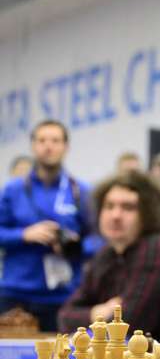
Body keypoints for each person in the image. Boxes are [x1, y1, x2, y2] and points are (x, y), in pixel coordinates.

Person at [58, 171, 160, 358]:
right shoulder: (107, 254)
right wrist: (99, 312)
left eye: (128, 207)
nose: (115, 215)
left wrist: (98, 316)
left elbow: (128, 325)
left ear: (148, 214)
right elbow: (65, 316)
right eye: (109, 206)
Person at [0, 121, 93, 331]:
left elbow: (100, 239)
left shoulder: (80, 191)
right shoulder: (13, 190)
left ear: (66, 147)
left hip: (62, 295)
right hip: (16, 293)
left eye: (55, 140)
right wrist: (23, 235)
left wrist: (74, 246)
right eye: (42, 140)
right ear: (33, 146)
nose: (48, 146)